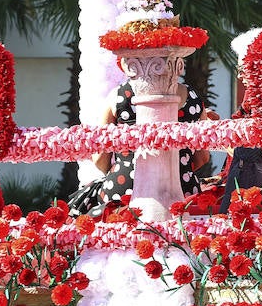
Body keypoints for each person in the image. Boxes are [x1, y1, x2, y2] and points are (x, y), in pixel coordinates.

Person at [68, 61, 211, 214]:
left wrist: (121, 170)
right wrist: (180, 167)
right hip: (183, 189)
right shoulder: (193, 98)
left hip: (124, 188)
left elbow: (100, 156)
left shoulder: (118, 96)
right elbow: (202, 157)